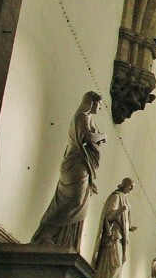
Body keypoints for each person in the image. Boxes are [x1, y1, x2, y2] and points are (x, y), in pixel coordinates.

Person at [32, 91, 106, 249]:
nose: (100, 108)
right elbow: (87, 137)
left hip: (84, 165)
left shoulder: (88, 119)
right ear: (92, 102)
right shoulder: (82, 117)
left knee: (78, 203)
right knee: (72, 201)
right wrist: (102, 135)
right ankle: (46, 234)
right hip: (75, 165)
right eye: (99, 104)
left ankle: (63, 241)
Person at [89, 177, 136, 278]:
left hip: (121, 237)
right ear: (125, 184)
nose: (132, 189)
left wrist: (129, 228)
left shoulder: (125, 199)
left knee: (119, 263)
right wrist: (120, 210)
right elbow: (109, 217)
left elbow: (124, 221)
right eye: (131, 186)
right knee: (115, 264)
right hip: (113, 236)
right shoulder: (116, 196)